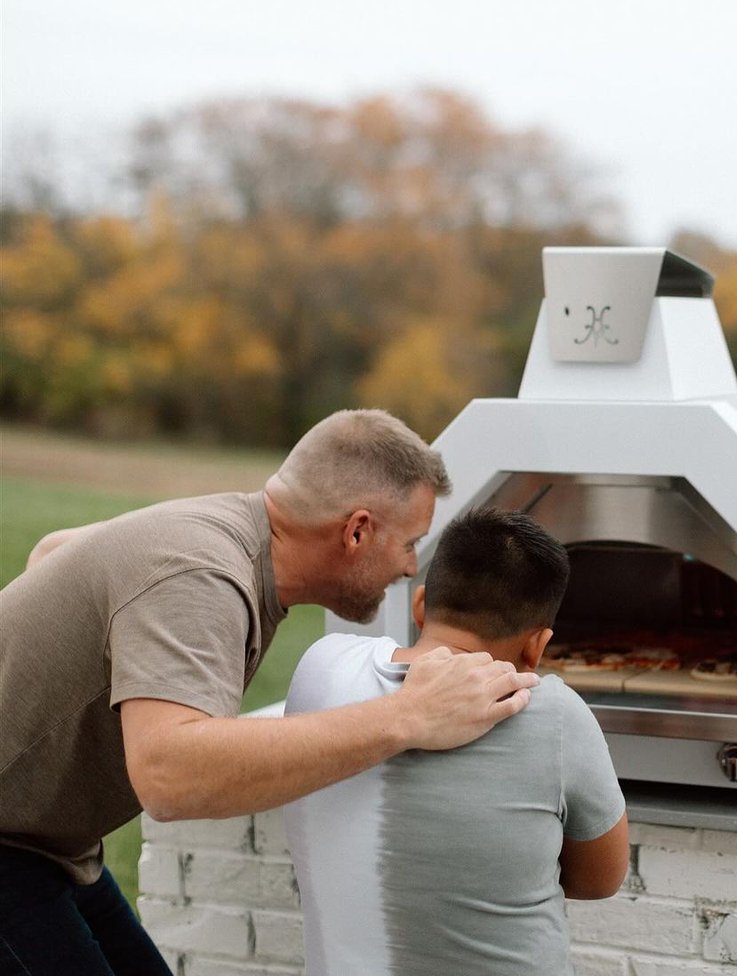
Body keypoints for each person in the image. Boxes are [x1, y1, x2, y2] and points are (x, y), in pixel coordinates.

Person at [0, 410, 540, 976]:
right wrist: (408, 716)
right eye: (410, 543)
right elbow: (169, 777)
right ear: (357, 531)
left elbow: (53, 550)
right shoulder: (201, 574)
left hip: (52, 847)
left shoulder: (217, 530)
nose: (410, 568)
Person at [283, 506, 629, 976]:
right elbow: (600, 879)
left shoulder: (322, 668)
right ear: (536, 647)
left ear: (420, 605)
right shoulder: (554, 714)